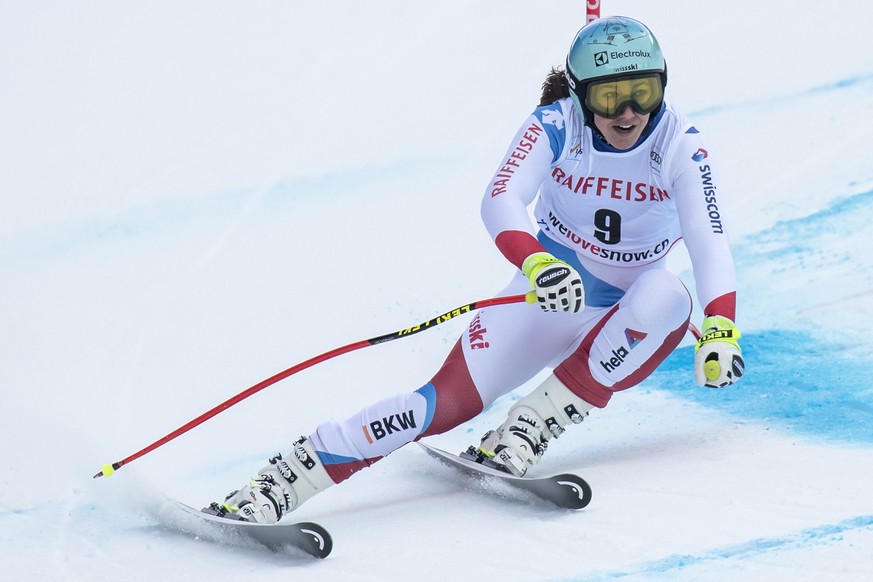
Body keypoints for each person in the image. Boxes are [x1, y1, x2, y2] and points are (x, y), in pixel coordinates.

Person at [210, 16, 745, 524]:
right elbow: (501, 199)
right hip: (549, 295)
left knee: (669, 297)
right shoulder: (556, 125)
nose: (628, 112)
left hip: (629, 312)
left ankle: (530, 425)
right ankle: (280, 483)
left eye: (644, 92)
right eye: (609, 97)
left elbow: (710, 244)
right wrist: (536, 263)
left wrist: (722, 326)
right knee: (440, 405)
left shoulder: (680, 145)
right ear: (581, 95)